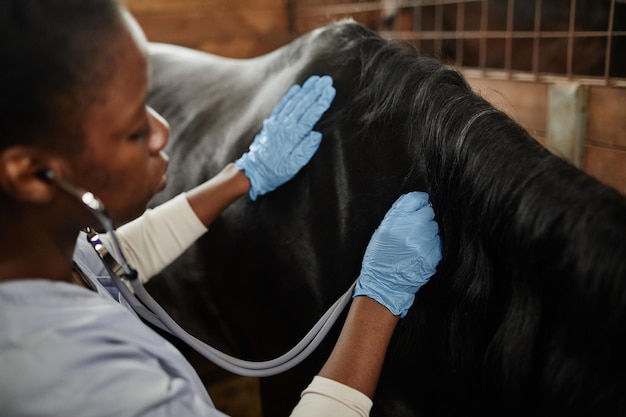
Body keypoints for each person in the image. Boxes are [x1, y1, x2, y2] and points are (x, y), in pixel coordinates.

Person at [0, 1, 442, 416]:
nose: (162, 131)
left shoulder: (29, 250)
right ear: (30, 173)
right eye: (134, 131)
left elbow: (106, 260)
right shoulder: (89, 387)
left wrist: (244, 175)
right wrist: (379, 303)